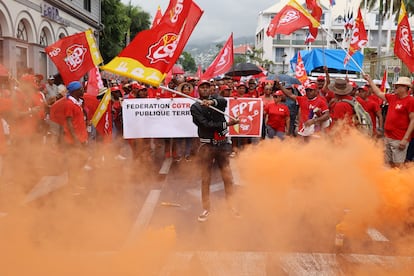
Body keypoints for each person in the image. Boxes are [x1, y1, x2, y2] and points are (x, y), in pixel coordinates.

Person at [190, 80, 240, 222]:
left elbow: (223, 101)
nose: (205, 90)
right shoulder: (195, 107)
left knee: (227, 176)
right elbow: (205, 125)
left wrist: (211, 103)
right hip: (207, 146)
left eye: (207, 87)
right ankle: (206, 209)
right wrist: (227, 124)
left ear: (211, 89)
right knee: (206, 178)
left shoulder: (217, 100)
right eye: (202, 88)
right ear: (198, 90)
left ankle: (231, 206)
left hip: (223, 145)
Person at [365, 75, 414, 167]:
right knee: (387, 163)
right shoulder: (393, 98)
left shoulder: (410, 101)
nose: (395, 87)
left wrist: (405, 139)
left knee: (398, 165)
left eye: (398, 86)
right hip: (388, 137)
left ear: (405, 88)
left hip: (399, 138)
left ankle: (399, 181)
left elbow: (413, 120)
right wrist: (370, 81)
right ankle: (389, 180)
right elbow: (379, 93)